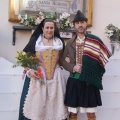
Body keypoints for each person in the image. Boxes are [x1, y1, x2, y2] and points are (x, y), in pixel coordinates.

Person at [61, 10, 112, 120]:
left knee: (91, 114)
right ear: (74, 25)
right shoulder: (69, 43)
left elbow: (103, 57)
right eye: (78, 23)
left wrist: (94, 68)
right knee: (73, 113)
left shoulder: (94, 41)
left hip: (89, 81)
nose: (80, 25)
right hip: (74, 80)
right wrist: (73, 67)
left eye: (82, 22)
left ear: (86, 24)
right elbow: (62, 61)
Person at [18, 18, 68, 120]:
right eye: (47, 28)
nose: (49, 30)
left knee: (55, 109)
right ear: (42, 28)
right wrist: (30, 71)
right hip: (40, 78)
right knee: (38, 109)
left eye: (51, 28)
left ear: (54, 29)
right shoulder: (35, 42)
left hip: (56, 80)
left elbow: (62, 59)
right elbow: (24, 60)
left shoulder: (59, 42)